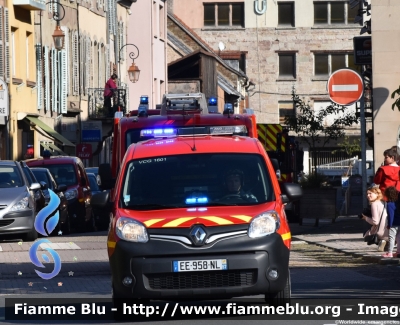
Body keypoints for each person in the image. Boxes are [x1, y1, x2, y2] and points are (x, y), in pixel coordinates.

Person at [361, 184, 388, 252]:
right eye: (367, 194)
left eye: (370, 193)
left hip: (380, 232)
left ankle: (381, 240)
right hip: (389, 231)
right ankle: (386, 243)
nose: (368, 196)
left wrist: (365, 218)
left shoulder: (374, 204)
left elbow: (375, 221)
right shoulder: (383, 203)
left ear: (377, 194)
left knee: (366, 233)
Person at [382, 186, 400, 258]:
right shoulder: (397, 203)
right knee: (399, 238)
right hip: (399, 222)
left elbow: (391, 215)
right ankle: (398, 251)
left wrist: (389, 224)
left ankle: (390, 252)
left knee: (391, 238)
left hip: (393, 224)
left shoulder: (389, 204)